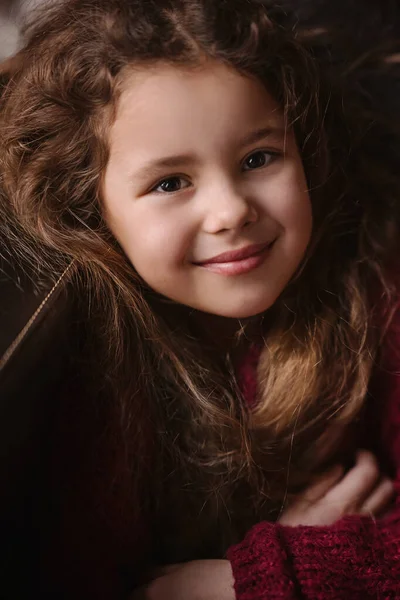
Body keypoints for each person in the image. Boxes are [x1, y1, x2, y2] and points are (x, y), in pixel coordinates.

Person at [0, 0, 399, 598]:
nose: (231, 209)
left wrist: (253, 579)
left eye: (258, 158)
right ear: (93, 211)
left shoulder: (375, 293)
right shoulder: (96, 374)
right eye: (169, 182)